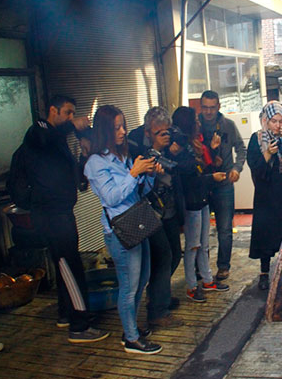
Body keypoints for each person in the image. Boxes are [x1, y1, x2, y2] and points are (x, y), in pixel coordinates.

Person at [22, 95, 109, 343]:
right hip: (50, 214)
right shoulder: (39, 131)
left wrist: (84, 156)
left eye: (73, 114)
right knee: (70, 265)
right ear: (53, 110)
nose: (72, 117)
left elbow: (76, 179)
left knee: (64, 266)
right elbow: (44, 137)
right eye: (68, 113)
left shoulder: (58, 143)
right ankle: (80, 326)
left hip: (61, 211)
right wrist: (74, 126)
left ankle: (65, 314)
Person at [84, 105, 162, 355]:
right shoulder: (95, 164)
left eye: (123, 126)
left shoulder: (124, 156)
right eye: (116, 127)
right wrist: (133, 173)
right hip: (120, 231)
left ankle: (131, 329)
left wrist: (149, 174)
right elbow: (112, 197)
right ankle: (131, 339)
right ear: (104, 131)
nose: (123, 131)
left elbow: (141, 192)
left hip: (138, 222)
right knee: (128, 286)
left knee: (141, 280)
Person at [128, 107, 184, 329]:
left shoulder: (173, 138)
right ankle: (157, 312)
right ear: (147, 130)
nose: (164, 134)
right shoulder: (133, 142)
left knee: (175, 255)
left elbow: (181, 168)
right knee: (162, 256)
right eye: (158, 131)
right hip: (146, 209)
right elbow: (138, 175)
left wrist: (173, 151)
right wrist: (156, 149)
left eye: (166, 130)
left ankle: (158, 293)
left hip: (168, 207)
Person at [171, 106, 230, 302]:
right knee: (193, 246)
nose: (198, 123)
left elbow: (203, 171)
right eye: (195, 120)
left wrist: (212, 154)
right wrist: (211, 177)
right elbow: (192, 180)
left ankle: (207, 280)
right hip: (191, 203)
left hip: (202, 199)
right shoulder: (180, 150)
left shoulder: (194, 145)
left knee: (204, 244)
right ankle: (192, 285)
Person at [247, 101, 282, 290]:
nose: (278, 125)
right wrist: (268, 154)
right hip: (266, 194)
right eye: (274, 121)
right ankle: (264, 273)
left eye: (281, 121)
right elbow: (255, 167)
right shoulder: (256, 139)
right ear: (265, 120)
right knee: (266, 234)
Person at [198, 90, 247, 281]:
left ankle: (223, 267)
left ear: (219, 107)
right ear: (200, 107)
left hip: (225, 184)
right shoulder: (196, 126)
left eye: (212, 107)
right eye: (205, 108)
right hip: (202, 183)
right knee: (200, 232)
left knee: (224, 228)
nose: (209, 112)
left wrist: (237, 168)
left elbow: (241, 149)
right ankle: (201, 269)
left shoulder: (228, 125)